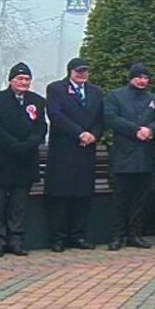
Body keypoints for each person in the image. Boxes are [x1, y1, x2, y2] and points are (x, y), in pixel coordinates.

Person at [0, 62, 47, 258]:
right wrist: (13, 145)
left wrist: (28, 144)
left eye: (27, 79)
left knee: (19, 205)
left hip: (25, 160)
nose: (23, 82)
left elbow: (41, 128)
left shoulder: (37, 101)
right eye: (19, 79)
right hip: (2, 160)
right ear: (11, 80)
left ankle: (16, 239)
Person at [45, 57, 105, 252]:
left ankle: (78, 235)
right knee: (61, 195)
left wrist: (93, 135)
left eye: (85, 71)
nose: (82, 75)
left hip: (86, 150)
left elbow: (100, 118)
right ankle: (58, 237)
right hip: (64, 150)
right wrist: (79, 133)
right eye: (79, 71)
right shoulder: (56, 89)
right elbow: (56, 115)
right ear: (70, 71)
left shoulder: (95, 92)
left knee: (83, 195)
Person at [104, 63, 155, 251]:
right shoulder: (116, 96)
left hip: (145, 156)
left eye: (145, 77)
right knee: (120, 198)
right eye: (139, 77)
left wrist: (150, 130)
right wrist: (135, 130)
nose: (142, 81)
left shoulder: (152, 98)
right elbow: (111, 118)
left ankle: (134, 235)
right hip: (123, 155)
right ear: (131, 77)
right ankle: (116, 236)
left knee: (140, 199)